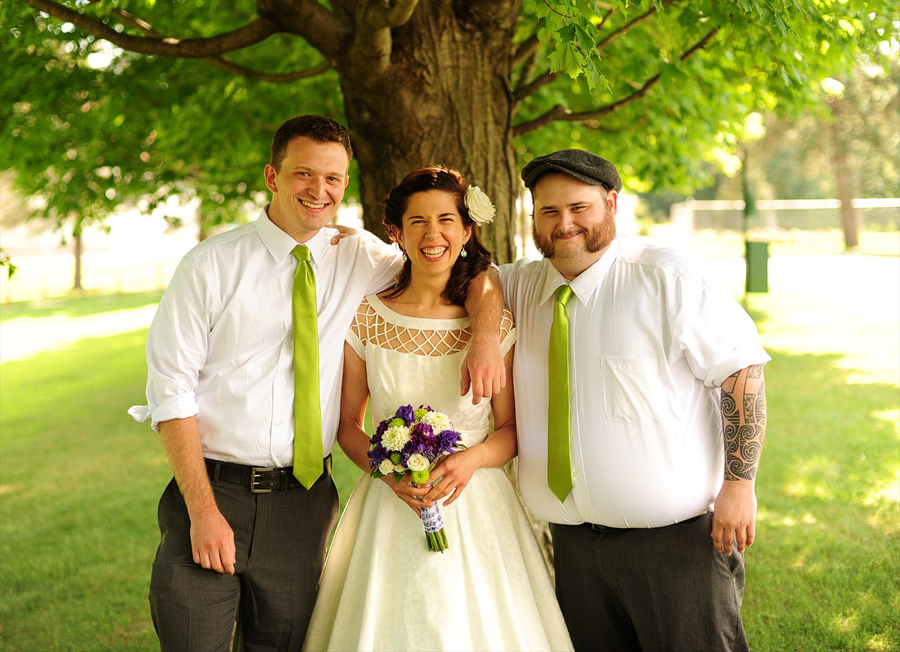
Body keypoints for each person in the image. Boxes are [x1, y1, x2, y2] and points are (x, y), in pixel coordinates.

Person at [127, 116, 506, 651]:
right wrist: (204, 510)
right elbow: (170, 395)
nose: (318, 190)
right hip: (216, 492)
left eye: (332, 178)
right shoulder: (210, 266)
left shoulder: (362, 257)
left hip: (304, 504)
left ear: (344, 184)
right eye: (304, 174)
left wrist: (486, 334)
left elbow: (467, 267)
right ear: (272, 176)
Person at [500, 149, 770, 651]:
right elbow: (463, 279)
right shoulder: (520, 287)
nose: (565, 225)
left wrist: (740, 485)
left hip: (677, 544)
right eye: (549, 211)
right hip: (575, 547)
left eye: (579, 208)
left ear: (612, 204)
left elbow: (742, 376)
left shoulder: (668, 279)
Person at [302, 166, 573, 651]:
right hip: (389, 504)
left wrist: (469, 460)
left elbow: (510, 430)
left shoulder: (494, 322)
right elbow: (346, 424)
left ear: (467, 229)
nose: (434, 234)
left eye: (447, 219)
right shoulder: (367, 317)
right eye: (418, 222)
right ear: (397, 233)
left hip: (476, 502)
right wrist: (387, 472)